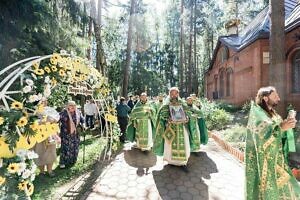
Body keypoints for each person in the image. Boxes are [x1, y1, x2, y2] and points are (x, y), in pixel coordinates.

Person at [245, 86, 300, 200]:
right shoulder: (258, 114)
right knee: (269, 190)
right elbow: (262, 136)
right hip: (265, 160)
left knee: (286, 187)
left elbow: (280, 131)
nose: (278, 98)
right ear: (265, 98)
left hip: (277, 159)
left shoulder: (273, 114)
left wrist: (288, 126)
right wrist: (281, 128)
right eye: (275, 96)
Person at [153, 87, 203, 171]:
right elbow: (162, 115)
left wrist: (187, 118)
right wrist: (167, 119)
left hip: (181, 128)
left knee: (184, 144)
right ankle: (171, 162)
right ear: (169, 94)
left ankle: (183, 163)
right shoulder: (166, 105)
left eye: (175, 93)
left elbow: (189, 113)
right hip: (170, 128)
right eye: (171, 93)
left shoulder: (182, 103)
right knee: (169, 145)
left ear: (178, 94)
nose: (173, 95)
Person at [34, 99, 60, 177]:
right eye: (41, 101)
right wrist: (40, 121)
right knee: (39, 152)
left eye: (44, 101)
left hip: (50, 134)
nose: (43, 102)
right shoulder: (34, 110)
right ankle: (42, 171)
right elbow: (32, 121)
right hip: (39, 135)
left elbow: (56, 119)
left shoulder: (51, 109)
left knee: (51, 152)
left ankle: (50, 170)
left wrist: (50, 120)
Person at [59, 101, 84, 168]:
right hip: (66, 134)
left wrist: (83, 124)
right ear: (67, 106)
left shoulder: (78, 112)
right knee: (65, 148)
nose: (72, 107)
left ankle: (73, 160)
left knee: (75, 147)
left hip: (75, 134)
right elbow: (58, 120)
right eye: (70, 105)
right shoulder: (63, 112)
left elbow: (82, 120)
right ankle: (63, 162)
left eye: (74, 105)